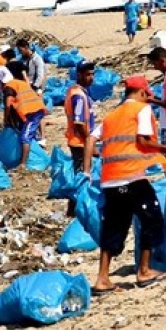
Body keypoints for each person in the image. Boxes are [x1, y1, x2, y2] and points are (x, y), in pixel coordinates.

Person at [83, 75, 166, 293]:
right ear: (143, 93)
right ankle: (144, 271)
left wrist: (87, 171)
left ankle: (102, 278)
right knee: (152, 219)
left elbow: (90, 139)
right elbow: (143, 140)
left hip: (110, 180)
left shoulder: (112, 116)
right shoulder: (142, 110)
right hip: (132, 177)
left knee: (113, 228)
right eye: (148, 95)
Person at [64, 60, 96, 216]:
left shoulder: (77, 91)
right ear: (79, 75)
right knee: (82, 175)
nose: (91, 78)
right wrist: (89, 140)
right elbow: (79, 122)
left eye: (92, 74)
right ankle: (75, 210)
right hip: (80, 142)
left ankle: (73, 208)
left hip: (78, 140)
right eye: (87, 74)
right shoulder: (78, 96)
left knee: (80, 174)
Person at [1, 64, 48, 170]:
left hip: (33, 112)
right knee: (26, 132)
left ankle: (23, 164)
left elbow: (8, 105)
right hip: (32, 109)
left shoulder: (9, 86)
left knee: (25, 136)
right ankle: (31, 153)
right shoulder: (20, 83)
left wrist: (6, 119)